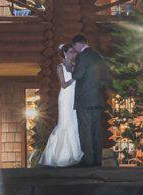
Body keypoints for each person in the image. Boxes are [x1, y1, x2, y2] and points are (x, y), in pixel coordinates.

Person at [69, 33, 110, 167]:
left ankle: (88, 159)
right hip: (97, 99)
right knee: (97, 130)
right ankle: (98, 159)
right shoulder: (98, 56)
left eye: (74, 47)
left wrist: (71, 68)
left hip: (84, 100)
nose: (75, 50)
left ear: (77, 44)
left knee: (85, 130)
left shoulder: (82, 56)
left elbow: (77, 75)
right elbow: (105, 76)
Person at [40, 44, 83, 167]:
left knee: (75, 122)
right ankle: (60, 156)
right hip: (66, 97)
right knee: (65, 122)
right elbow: (63, 84)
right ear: (64, 53)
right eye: (70, 52)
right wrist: (75, 78)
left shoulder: (75, 66)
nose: (73, 54)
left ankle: (75, 153)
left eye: (74, 52)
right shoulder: (60, 67)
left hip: (75, 96)